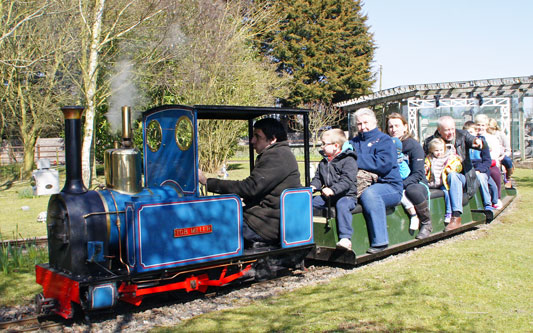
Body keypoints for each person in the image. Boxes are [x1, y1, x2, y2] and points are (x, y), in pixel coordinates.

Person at [198, 117, 301, 247]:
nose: (252, 141)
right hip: (260, 217)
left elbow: (250, 187)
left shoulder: (277, 156)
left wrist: (207, 181)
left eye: (257, 136)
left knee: (209, 226)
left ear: (273, 139)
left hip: (265, 224)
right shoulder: (278, 153)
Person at [350, 108, 403, 254]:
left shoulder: (385, 140)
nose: (363, 127)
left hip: (389, 186)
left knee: (370, 194)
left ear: (374, 122)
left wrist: (355, 159)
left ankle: (380, 241)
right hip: (360, 183)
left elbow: (382, 164)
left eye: (366, 122)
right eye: (359, 124)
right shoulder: (353, 142)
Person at [423, 116, 483, 231]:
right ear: (439, 130)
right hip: (438, 179)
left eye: (452, 129)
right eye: (447, 130)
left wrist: (478, 141)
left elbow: (472, 139)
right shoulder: (429, 142)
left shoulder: (462, 135)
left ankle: (456, 216)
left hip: (462, 177)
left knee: (452, 175)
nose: (451, 132)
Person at [387, 113, 433, 239]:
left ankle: (426, 222)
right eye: (390, 126)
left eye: (397, 125)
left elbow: (418, 173)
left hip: (416, 182)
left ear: (405, 127)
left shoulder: (413, 145)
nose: (393, 129)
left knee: (413, 191)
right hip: (394, 182)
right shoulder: (387, 145)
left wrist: (401, 185)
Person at [310, 129, 358, 251]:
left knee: (342, 205)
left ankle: (345, 238)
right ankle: (308, 233)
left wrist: (333, 189)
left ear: (336, 146)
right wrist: (313, 186)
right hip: (328, 196)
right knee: (309, 203)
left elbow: (347, 181)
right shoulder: (324, 162)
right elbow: (318, 178)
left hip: (346, 196)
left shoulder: (349, 160)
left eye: (324, 143)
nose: (322, 146)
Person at [425, 138, 463, 225]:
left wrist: (451, 169)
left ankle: (449, 213)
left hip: (444, 182)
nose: (439, 152)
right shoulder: (429, 159)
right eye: (436, 150)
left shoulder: (450, 157)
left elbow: (458, 166)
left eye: (441, 150)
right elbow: (426, 166)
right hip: (433, 182)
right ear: (431, 151)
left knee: (447, 192)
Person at [463, 121, 498, 210]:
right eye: (467, 134)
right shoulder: (462, 145)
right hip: (468, 170)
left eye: (471, 133)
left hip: (480, 169)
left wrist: (479, 170)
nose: (469, 136)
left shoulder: (482, 144)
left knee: (482, 179)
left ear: (476, 132)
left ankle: (488, 203)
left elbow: (487, 161)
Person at [474, 114, 502, 208]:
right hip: (477, 164)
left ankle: (497, 197)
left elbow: (495, 152)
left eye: (482, 125)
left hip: (489, 162)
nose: (480, 127)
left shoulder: (491, 138)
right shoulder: (472, 137)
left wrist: (490, 160)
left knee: (495, 173)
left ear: (486, 126)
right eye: (478, 125)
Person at [488, 118, 514, 188]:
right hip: (491, 155)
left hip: (501, 155)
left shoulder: (500, 135)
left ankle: (509, 176)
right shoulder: (486, 135)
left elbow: (508, 150)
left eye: (491, 128)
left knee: (507, 160)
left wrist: (502, 156)